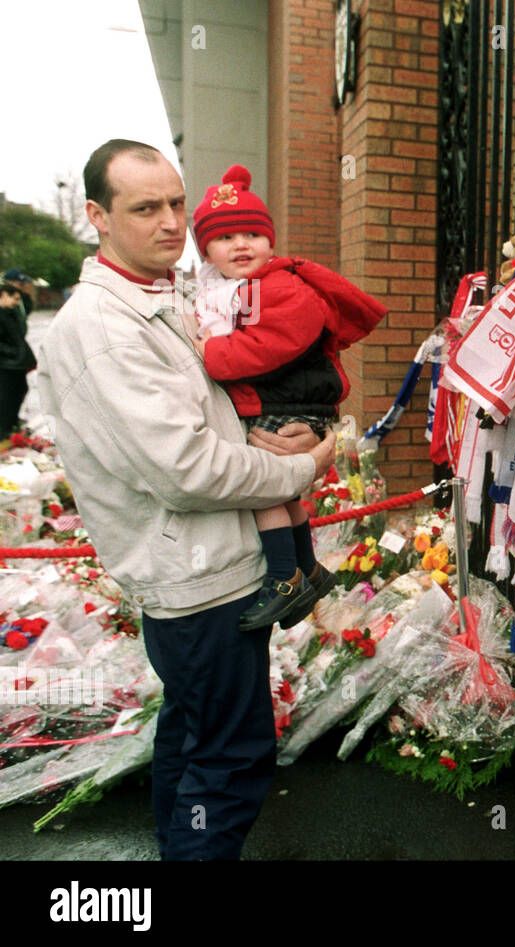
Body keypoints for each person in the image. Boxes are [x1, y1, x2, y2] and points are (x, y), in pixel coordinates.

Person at [35, 138, 338, 861]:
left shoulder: (161, 296)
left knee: (192, 738)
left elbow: (209, 418)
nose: (172, 221)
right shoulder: (103, 328)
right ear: (97, 217)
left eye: (176, 202)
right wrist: (303, 468)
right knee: (230, 765)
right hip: (198, 586)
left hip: (212, 571)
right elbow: (185, 469)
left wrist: (270, 436)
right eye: (146, 207)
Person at [189, 164, 385, 629]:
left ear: (270, 241)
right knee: (286, 492)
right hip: (286, 401)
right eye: (225, 238)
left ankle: (283, 577)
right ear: (206, 251)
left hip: (289, 404)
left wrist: (211, 353)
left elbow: (271, 345)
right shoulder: (231, 289)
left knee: (262, 489)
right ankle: (309, 569)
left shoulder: (280, 285)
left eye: (252, 233)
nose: (241, 245)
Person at [0, 281, 36, 434]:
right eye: (14, 298)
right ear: (3, 296)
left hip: (17, 363)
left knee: (21, 389)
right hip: (6, 363)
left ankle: (12, 421)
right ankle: (4, 428)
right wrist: (13, 353)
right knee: (6, 395)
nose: (17, 302)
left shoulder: (12, 312)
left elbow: (27, 307)